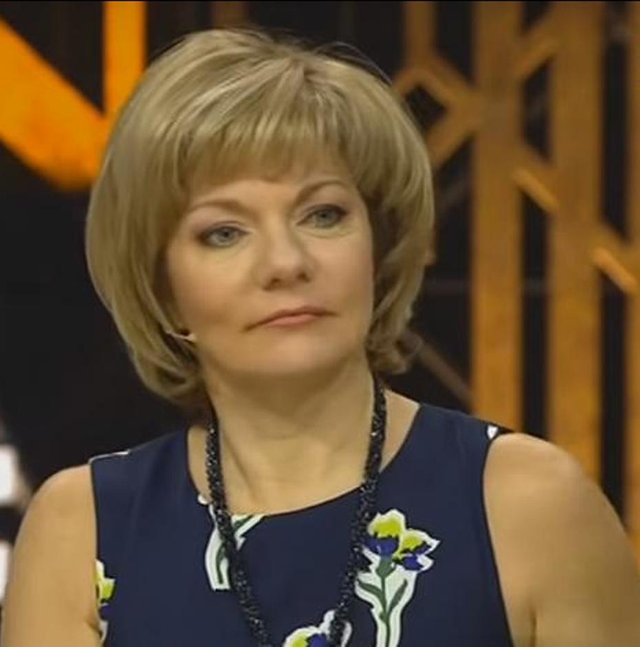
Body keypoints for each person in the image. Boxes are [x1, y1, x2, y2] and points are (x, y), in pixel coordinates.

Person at [2, 27, 640, 647]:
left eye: (323, 214)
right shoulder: (81, 529)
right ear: (163, 287)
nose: (286, 262)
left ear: (377, 249)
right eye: (224, 232)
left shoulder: (530, 505)